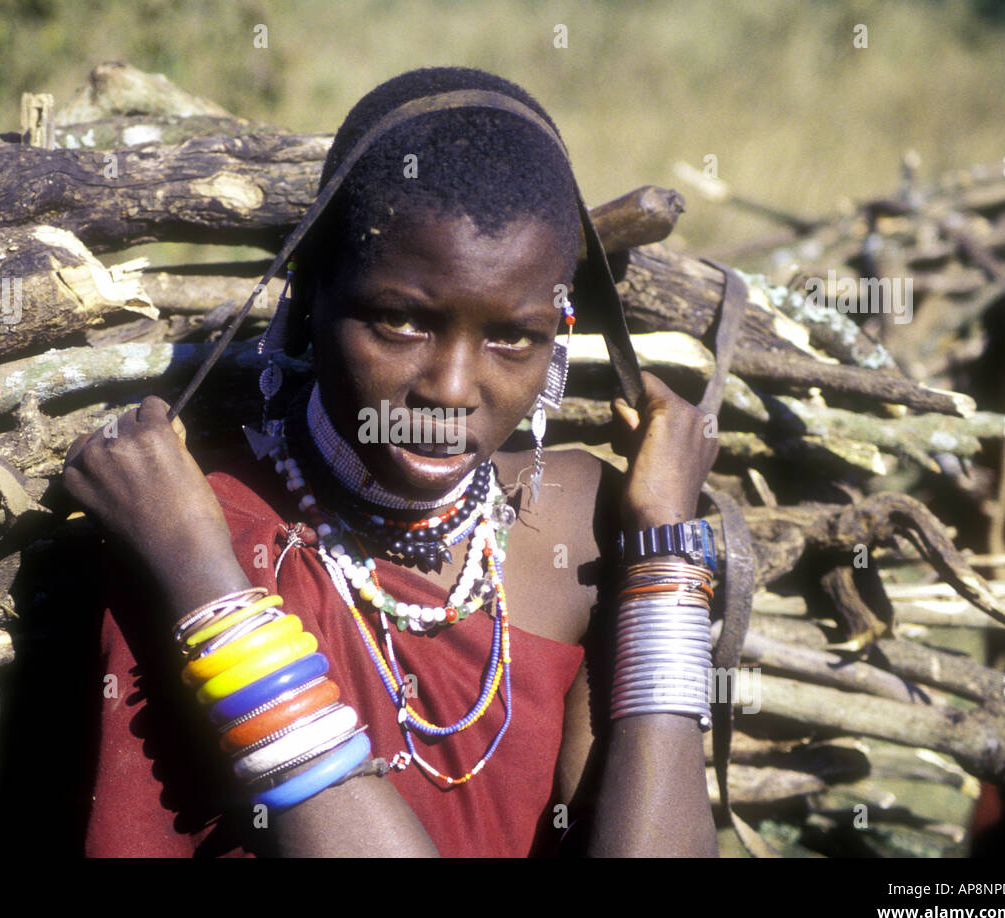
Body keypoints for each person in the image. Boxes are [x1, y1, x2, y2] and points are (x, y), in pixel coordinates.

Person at [63, 66, 721, 857]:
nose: (449, 389)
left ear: (560, 335)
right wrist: (206, 580)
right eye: (400, 321)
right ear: (307, 300)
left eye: (513, 336)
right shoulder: (192, 536)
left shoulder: (582, 526)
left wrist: (664, 553)